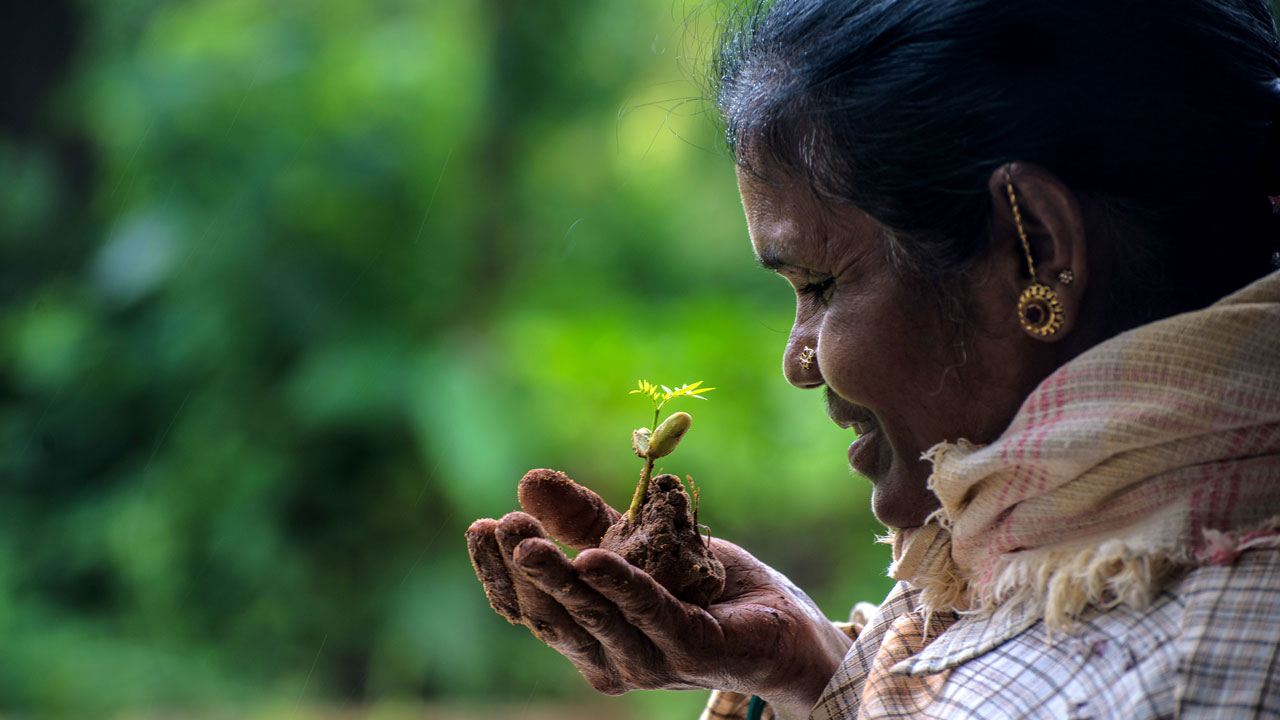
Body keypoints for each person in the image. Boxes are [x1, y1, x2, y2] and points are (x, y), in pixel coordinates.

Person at [466, 0, 1280, 717]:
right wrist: (801, 669)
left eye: (820, 282)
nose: (798, 361)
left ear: (1032, 251)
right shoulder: (1021, 586)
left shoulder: (1193, 673)